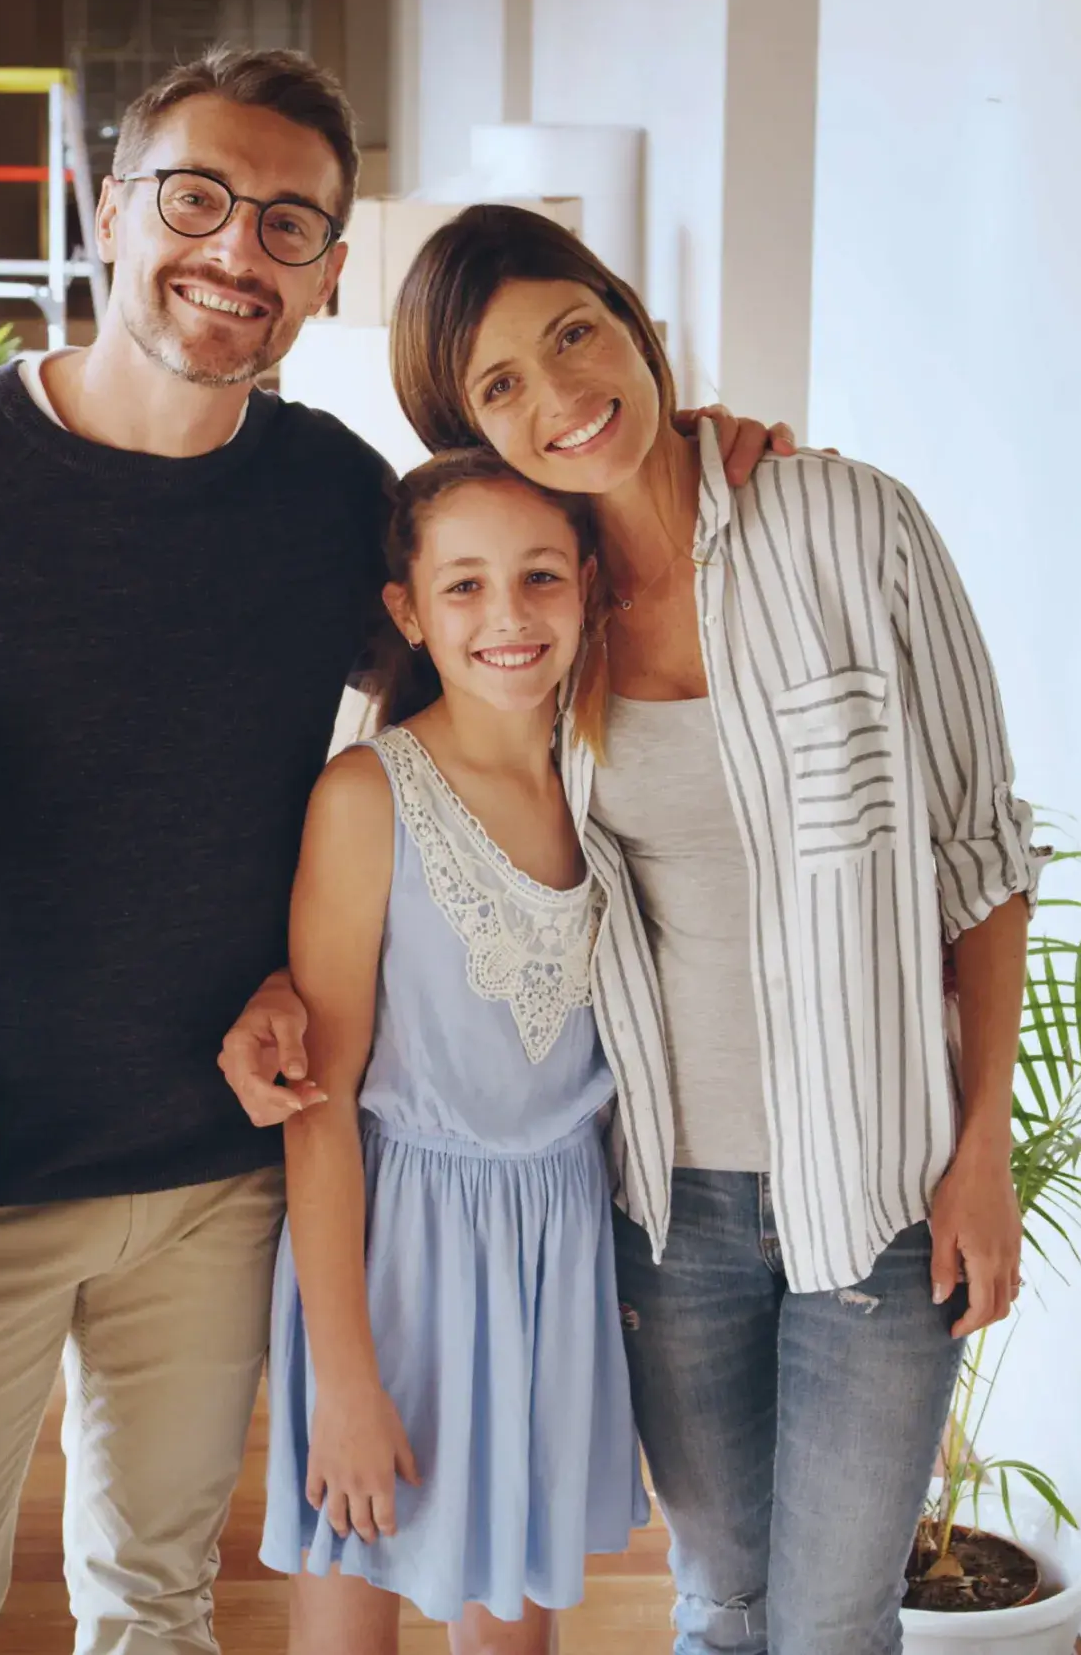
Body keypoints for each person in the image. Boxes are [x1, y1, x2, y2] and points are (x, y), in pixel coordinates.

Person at [0, 47, 788, 1655]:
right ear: (108, 209)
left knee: (159, 1607)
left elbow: (497, 682)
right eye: (199, 199)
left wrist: (674, 476)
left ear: (329, 275)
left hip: (220, 1171)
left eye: (289, 224)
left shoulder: (328, 501)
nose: (237, 250)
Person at [385, 204, 1038, 1655]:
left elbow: (980, 861)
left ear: (633, 320)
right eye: (502, 386)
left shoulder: (848, 523)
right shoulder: (535, 620)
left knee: (828, 1622)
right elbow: (412, 811)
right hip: (662, 1207)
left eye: (575, 332)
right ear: (473, 433)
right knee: (718, 1605)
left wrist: (981, 1149)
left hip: (875, 1191)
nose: (563, 394)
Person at [260, 451, 649, 1655]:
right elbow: (320, 1104)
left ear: (587, 584)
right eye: (466, 586)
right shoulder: (368, 796)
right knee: (353, 1590)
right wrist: (345, 1377)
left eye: (539, 577)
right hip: (391, 1253)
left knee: (509, 1632)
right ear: (409, 611)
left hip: (557, 1246)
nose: (508, 616)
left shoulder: (614, 776)